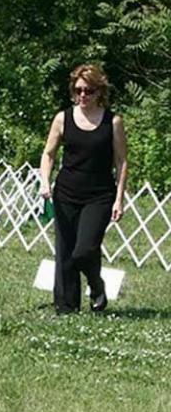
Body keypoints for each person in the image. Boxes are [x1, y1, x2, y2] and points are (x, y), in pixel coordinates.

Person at [39, 64, 128, 315]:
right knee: (65, 253)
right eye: (78, 90)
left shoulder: (113, 122)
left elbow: (121, 162)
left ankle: (97, 285)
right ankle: (66, 308)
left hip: (99, 195)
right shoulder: (62, 118)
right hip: (66, 192)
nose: (82, 96)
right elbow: (48, 154)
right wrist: (45, 181)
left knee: (84, 249)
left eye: (88, 91)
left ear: (99, 91)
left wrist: (119, 199)